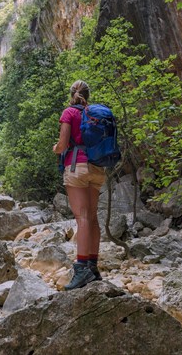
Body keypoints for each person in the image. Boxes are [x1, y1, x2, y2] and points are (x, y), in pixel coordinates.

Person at [53, 80, 106, 290]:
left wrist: (56, 148)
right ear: (88, 95)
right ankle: (93, 267)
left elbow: (63, 144)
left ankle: (82, 268)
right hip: (97, 168)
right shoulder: (95, 113)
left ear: (71, 94)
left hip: (77, 167)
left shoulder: (70, 113)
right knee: (92, 217)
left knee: (82, 218)